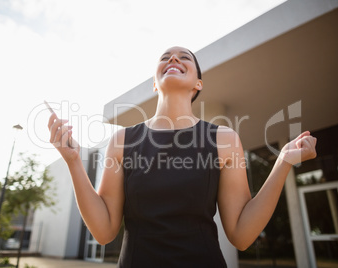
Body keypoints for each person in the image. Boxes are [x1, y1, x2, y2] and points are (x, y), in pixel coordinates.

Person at [47, 46, 317, 267]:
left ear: (198, 83)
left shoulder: (223, 139)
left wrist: (282, 162)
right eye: (165, 57)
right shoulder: (122, 140)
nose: (173, 58)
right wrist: (73, 162)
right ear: (155, 83)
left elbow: (241, 235)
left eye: (183, 57)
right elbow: (104, 231)